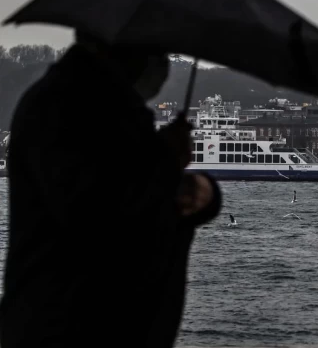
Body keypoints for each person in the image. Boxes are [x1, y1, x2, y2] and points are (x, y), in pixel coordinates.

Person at [0, 31, 221, 347]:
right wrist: (166, 160)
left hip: (67, 320)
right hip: (78, 327)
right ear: (119, 49)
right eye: (154, 51)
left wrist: (202, 192)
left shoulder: (96, 106)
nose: (161, 64)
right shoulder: (72, 109)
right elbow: (102, 213)